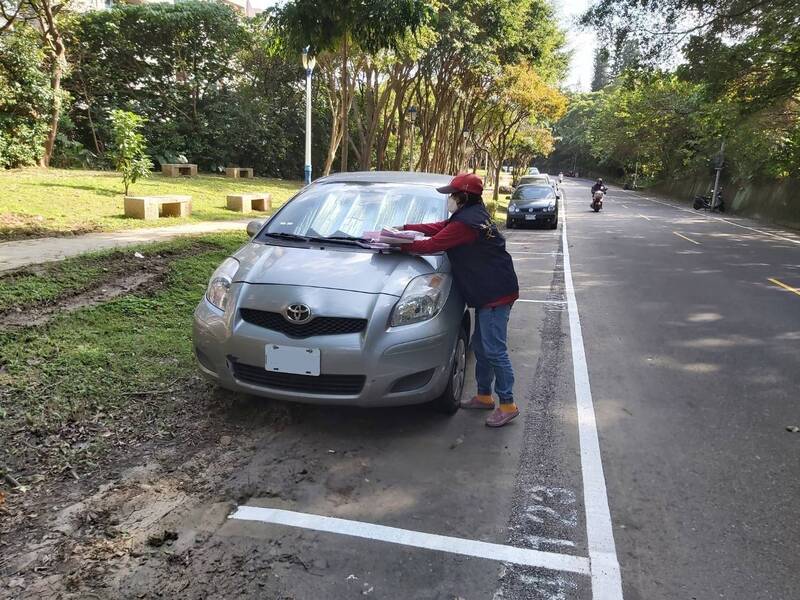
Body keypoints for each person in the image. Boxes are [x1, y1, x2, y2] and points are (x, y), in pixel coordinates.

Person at [400, 173, 520, 427]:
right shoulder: (473, 214)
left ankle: (508, 404)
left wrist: (399, 244)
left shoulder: (467, 224)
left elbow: (432, 245)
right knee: (481, 345)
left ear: (464, 197)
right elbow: (439, 228)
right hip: (491, 289)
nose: (450, 199)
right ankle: (484, 396)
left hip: (495, 293)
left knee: (495, 349)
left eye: (453, 195)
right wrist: (407, 228)